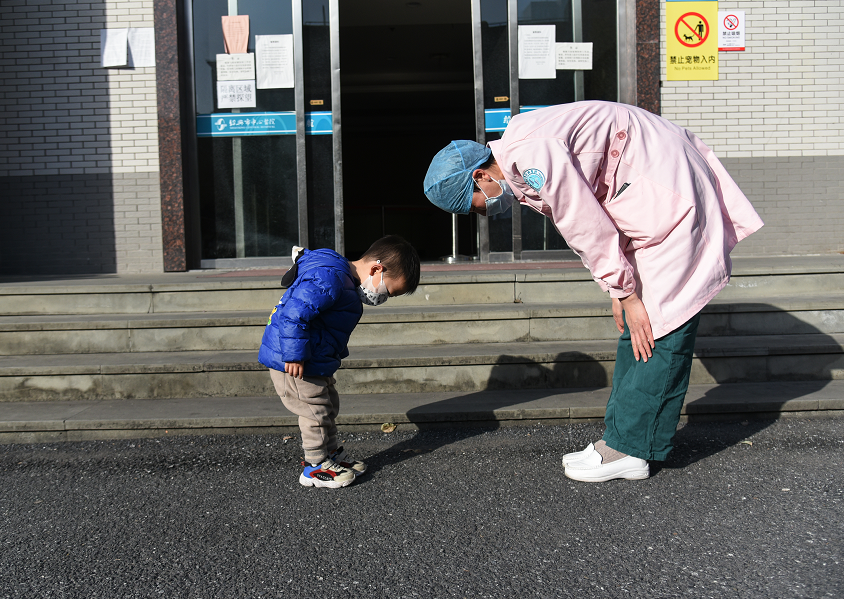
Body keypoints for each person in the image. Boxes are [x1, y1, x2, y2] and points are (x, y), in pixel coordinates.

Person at [423, 101, 763, 483]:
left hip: (667, 196)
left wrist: (627, 294)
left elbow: (583, 223)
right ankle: (620, 438)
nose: (484, 213)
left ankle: (634, 449)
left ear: (482, 175)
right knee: (637, 327)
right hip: (652, 190)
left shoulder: (530, 156)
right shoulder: (522, 156)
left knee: (658, 325)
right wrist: (619, 292)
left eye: (475, 205)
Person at [258, 235, 421, 488]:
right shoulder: (330, 278)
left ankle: (330, 454)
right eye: (389, 291)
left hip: (313, 358)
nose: (383, 297)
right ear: (377, 269)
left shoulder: (342, 281)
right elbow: (293, 314)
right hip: (293, 359)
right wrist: (294, 353)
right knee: (315, 410)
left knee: (328, 404)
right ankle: (315, 465)